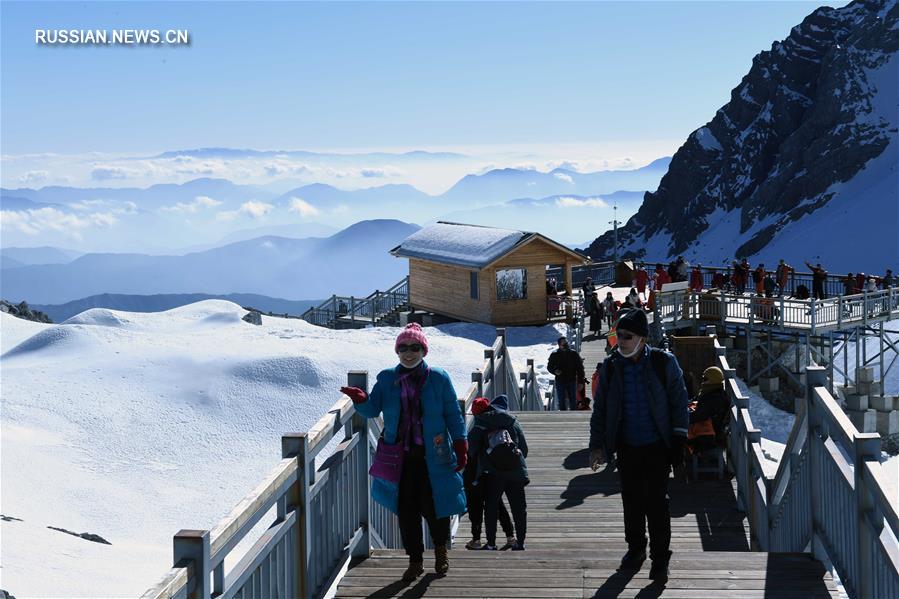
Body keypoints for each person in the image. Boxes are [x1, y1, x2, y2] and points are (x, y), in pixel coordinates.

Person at [340, 323, 467, 582]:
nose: (409, 353)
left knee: (437, 507)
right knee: (406, 510)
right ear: (397, 351)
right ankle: (415, 560)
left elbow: (453, 413)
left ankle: (441, 550)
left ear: (424, 350)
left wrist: (461, 443)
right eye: (403, 348)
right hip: (400, 458)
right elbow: (374, 409)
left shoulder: (439, 378)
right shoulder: (387, 378)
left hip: (435, 454)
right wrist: (361, 400)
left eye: (415, 347)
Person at [589, 308, 689, 582]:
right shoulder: (610, 367)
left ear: (642, 339)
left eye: (626, 336)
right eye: (617, 335)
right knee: (631, 502)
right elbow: (601, 410)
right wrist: (596, 445)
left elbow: (680, 402)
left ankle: (660, 558)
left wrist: (679, 439)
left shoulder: (663, 363)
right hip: (627, 446)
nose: (619, 340)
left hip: (657, 445)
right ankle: (635, 550)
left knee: (657, 504)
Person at [469, 394, 529, 551]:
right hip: (516, 471)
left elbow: (471, 449)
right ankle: (520, 542)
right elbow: (525, 449)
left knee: (491, 507)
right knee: (519, 509)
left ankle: (491, 543)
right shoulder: (512, 421)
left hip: (493, 472)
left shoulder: (481, 422)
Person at [687, 367, 730, 455]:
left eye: (705, 379)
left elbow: (697, 416)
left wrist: (681, 415)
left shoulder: (714, 398)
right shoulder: (713, 392)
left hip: (707, 437)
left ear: (712, 380)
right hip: (708, 431)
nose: (703, 381)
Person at [548, 336, 585, 411]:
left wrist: (581, 381)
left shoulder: (574, 354)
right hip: (560, 381)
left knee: (573, 400)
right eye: (563, 344)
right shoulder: (554, 355)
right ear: (559, 345)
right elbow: (549, 367)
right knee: (561, 400)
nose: (566, 345)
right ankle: (563, 417)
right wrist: (555, 371)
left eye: (566, 343)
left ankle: (574, 417)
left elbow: (580, 368)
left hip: (572, 380)